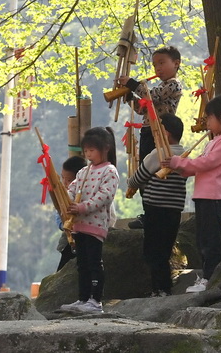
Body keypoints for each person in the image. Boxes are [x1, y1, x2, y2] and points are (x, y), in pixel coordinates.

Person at [162, 95, 221, 293]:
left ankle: (210, 278)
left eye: (209, 118)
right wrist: (178, 167)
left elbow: (205, 163)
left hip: (214, 197)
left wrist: (178, 163)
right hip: (204, 196)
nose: (207, 123)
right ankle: (206, 276)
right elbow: (198, 167)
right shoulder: (214, 141)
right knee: (203, 239)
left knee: (210, 240)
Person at [125, 114, 187, 297]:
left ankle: (158, 288)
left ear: (165, 134)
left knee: (152, 250)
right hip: (174, 210)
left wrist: (130, 183)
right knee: (165, 249)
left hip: (155, 208)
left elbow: (139, 177)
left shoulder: (158, 154)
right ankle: (165, 287)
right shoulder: (182, 154)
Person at [60, 127, 119, 314]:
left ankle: (95, 300)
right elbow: (72, 190)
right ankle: (83, 298)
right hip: (79, 225)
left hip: (95, 225)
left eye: (92, 150)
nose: (89, 155)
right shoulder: (83, 172)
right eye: (86, 151)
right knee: (82, 263)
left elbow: (104, 196)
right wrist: (64, 201)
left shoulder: (109, 171)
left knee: (94, 262)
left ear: (105, 148)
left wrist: (82, 207)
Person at [118, 45, 184, 160]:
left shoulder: (174, 84)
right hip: (147, 130)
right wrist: (129, 97)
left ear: (176, 63)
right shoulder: (161, 86)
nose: (158, 68)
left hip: (161, 131)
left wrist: (132, 84)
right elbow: (143, 109)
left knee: (156, 163)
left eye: (161, 63)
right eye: (155, 65)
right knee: (145, 162)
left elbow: (153, 96)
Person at [56, 155, 87, 272]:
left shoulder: (84, 194)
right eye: (62, 178)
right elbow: (59, 219)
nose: (64, 183)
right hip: (68, 237)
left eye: (69, 180)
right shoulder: (64, 194)